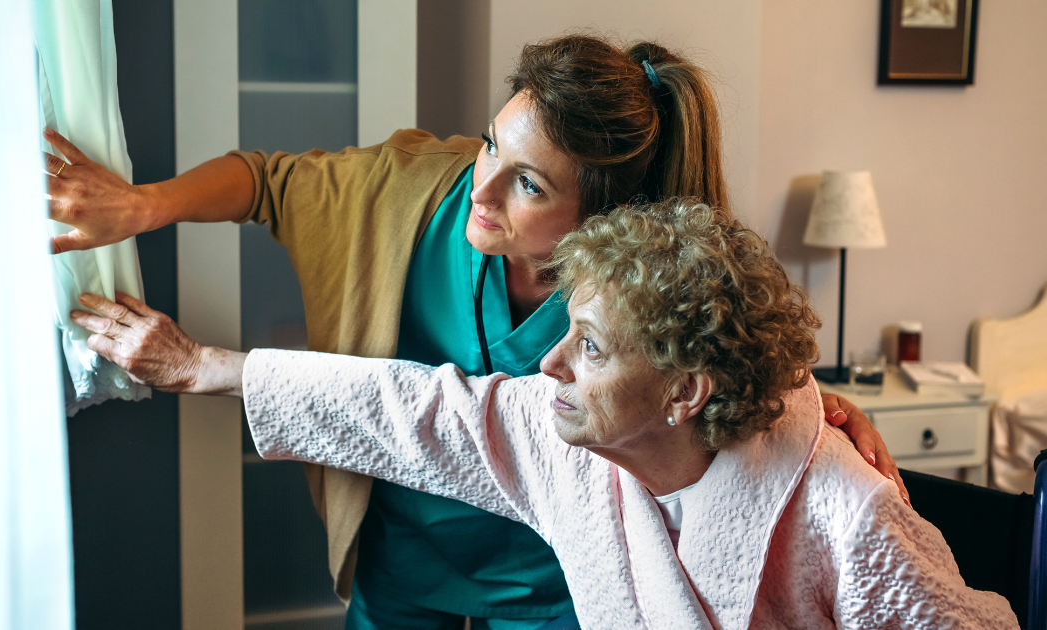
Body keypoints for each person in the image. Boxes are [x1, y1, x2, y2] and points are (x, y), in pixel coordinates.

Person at [52, 34, 908, 629]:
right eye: (491, 144)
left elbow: (717, 365)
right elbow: (271, 183)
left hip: (559, 579)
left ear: (600, 221)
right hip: (405, 550)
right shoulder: (419, 194)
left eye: (529, 184)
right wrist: (140, 206)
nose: (483, 190)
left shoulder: (649, 292)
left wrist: (808, 413)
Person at [77, 199, 1017, 629]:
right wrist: (204, 367)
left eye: (594, 349)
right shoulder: (573, 444)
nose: (553, 364)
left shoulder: (843, 512)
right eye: (568, 332)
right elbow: (414, 410)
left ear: (688, 391)